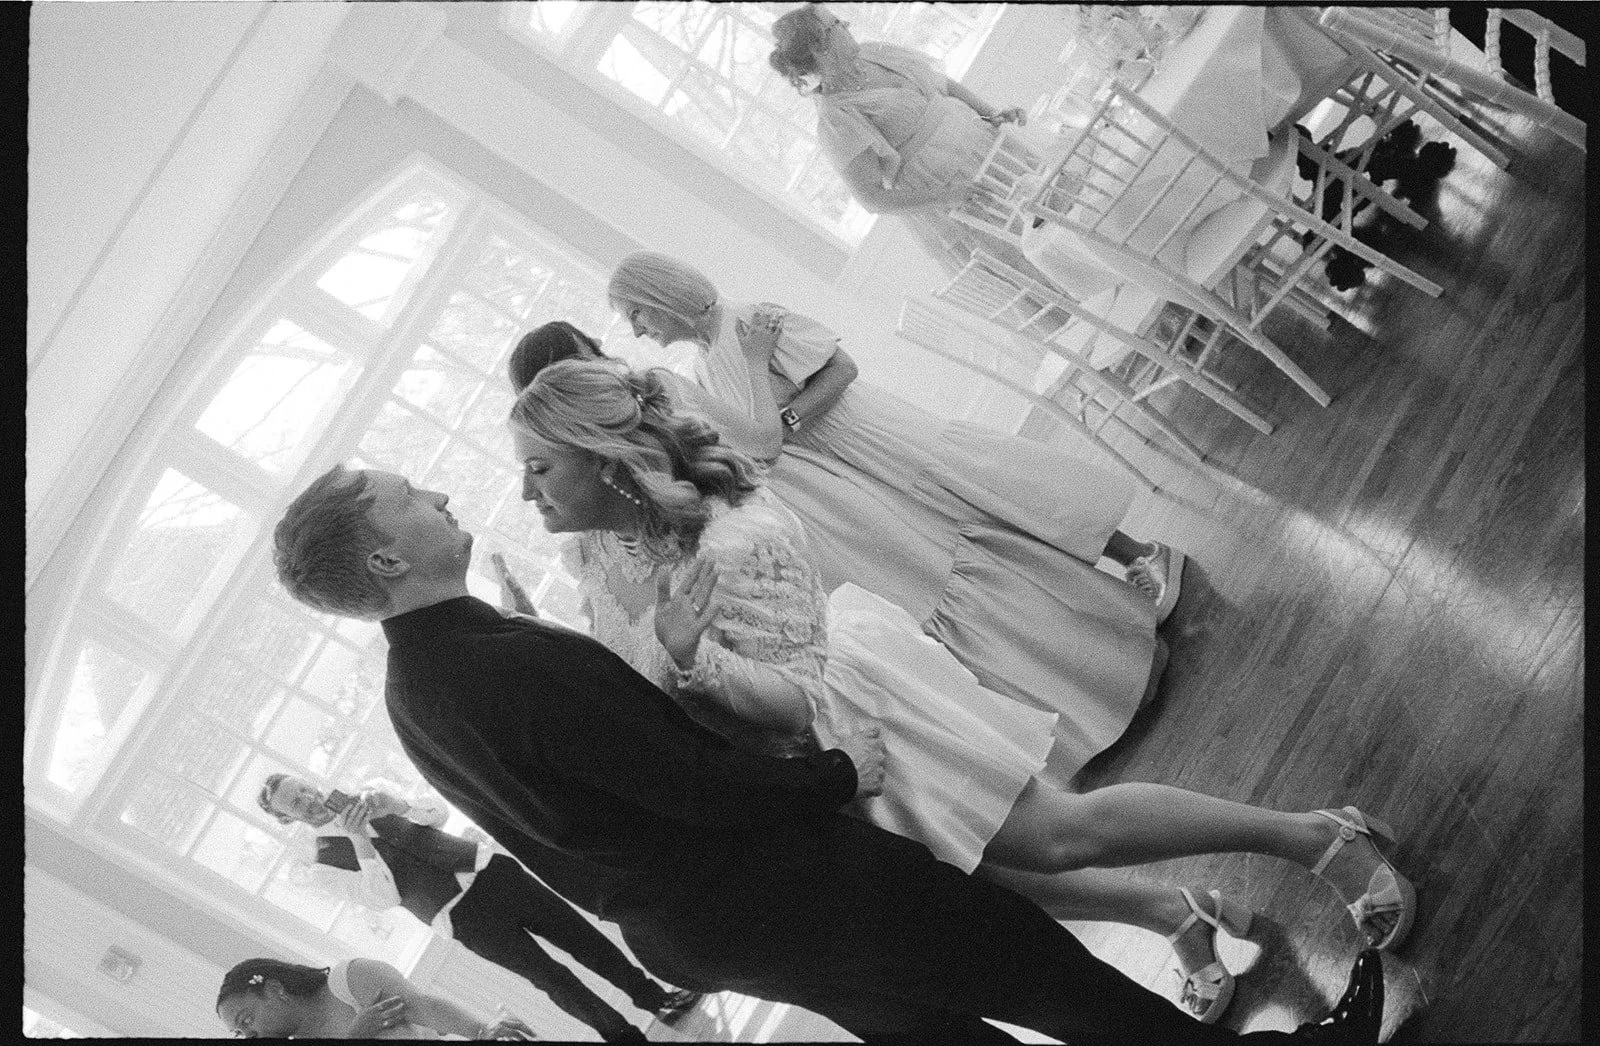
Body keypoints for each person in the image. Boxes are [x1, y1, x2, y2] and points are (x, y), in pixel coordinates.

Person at [270, 458, 1386, 1044]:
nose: (441, 492)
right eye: (409, 496)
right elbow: (684, 783)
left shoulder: (420, 690)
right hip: (782, 888)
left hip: (719, 928)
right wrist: (839, 772)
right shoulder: (491, 662)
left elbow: (599, 792)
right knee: (1052, 978)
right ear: (382, 558)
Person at [506, 360, 1417, 1021]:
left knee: (1062, 835)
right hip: (791, 780)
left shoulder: (731, 541)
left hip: (851, 723)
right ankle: (1176, 913)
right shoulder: (599, 553)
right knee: (1000, 889)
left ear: (604, 459)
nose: (524, 492)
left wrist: (690, 663)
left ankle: (1315, 839)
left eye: (539, 468)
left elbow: (790, 700)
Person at [602, 253, 1184, 774]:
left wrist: (788, 420)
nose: (637, 330)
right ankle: (1107, 621)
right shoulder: (705, 369)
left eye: (637, 313)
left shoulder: (751, 321)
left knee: (998, 486)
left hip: (871, 432)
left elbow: (841, 370)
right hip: (845, 465)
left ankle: (1141, 553)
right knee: (977, 528)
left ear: (661, 295)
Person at [257, 774, 699, 1042]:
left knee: (583, 938)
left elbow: (436, 814)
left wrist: (398, 805)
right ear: (287, 819)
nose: (308, 798)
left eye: (304, 788)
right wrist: (358, 839)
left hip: (489, 871)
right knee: (550, 977)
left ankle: (656, 999)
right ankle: (623, 1037)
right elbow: (381, 898)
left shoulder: (368, 794)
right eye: (295, 802)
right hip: (459, 916)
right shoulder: (322, 866)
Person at [766, 2, 1039, 277]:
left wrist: (990, 112)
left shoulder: (873, 53)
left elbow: (942, 85)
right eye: (836, 24)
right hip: (952, 186)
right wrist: (949, 196)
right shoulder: (835, 117)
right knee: (1029, 252)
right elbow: (872, 198)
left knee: (1049, 205)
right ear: (819, 47)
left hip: (987, 147)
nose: (846, 25)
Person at [215, 956, 537, 1039]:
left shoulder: (349, 980)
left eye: (247, 1020)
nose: (251, 1035)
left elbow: (423, 1007)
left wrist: (482, 1030)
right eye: (241, 1033)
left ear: (275, 990)